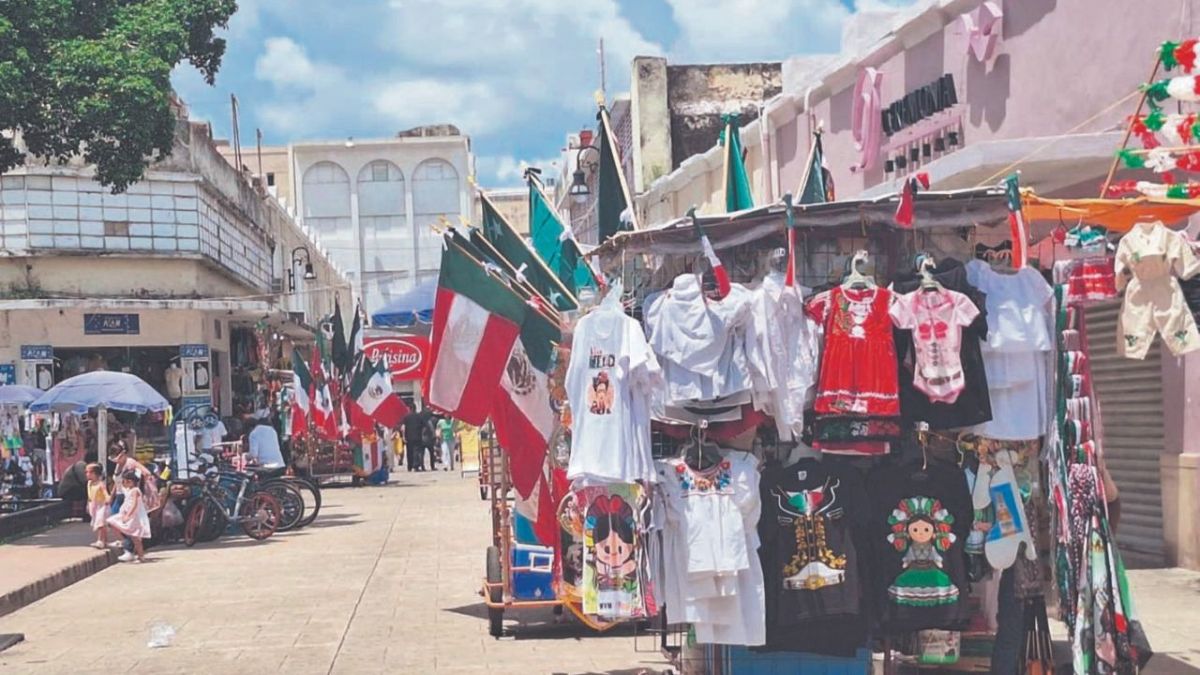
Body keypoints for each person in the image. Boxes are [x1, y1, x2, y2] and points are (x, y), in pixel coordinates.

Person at [108, 470, 150, 563]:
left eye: (124, 481)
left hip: (133, 517)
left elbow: (134, 504)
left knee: (136, 539)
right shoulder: (129, 490)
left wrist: (128, 515)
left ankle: (141, 556)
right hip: (128, 515)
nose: (123, 483)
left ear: (130, 481)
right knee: (112, 522)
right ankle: (124, 542)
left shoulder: (135, 490)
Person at [85, 463, 110, 549]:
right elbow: (89, 495)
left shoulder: (100, 484)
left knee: (100, 523)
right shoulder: (89, 483)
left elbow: (105, 492)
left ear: (95, 473)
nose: (87, 474)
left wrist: (107, 498)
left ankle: (100, 540)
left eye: (89, 472)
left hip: (101, 505)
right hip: (93, 505)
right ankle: (105, 541)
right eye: (86, 472)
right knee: (99, 523)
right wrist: (88, 504)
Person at [401, 407, 427, 471]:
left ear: (410, 409)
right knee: (416, 451)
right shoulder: (419, 416)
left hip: (408, 437)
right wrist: (422, 433)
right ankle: (415, 466)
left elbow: (403, 428)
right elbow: (425, 426)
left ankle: (409, 466)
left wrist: (403, 436)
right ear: (415, 409)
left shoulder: (406, 417)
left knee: (409, 452)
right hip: (417, 436)